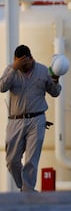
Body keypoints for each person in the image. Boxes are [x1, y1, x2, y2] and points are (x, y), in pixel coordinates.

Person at [0, 45, 62, 192]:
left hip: (37, 119)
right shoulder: (12, 71)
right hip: (15, 120)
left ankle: (28, 193)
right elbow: (2, 87)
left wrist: (55, 79)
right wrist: (13, 68)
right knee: (12, 160)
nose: (22, 66)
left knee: (31, 160)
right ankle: (23, 187)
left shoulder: (43, 71)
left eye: (24, 63)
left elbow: (55, 92)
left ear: (30, 58)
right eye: (19, 63)